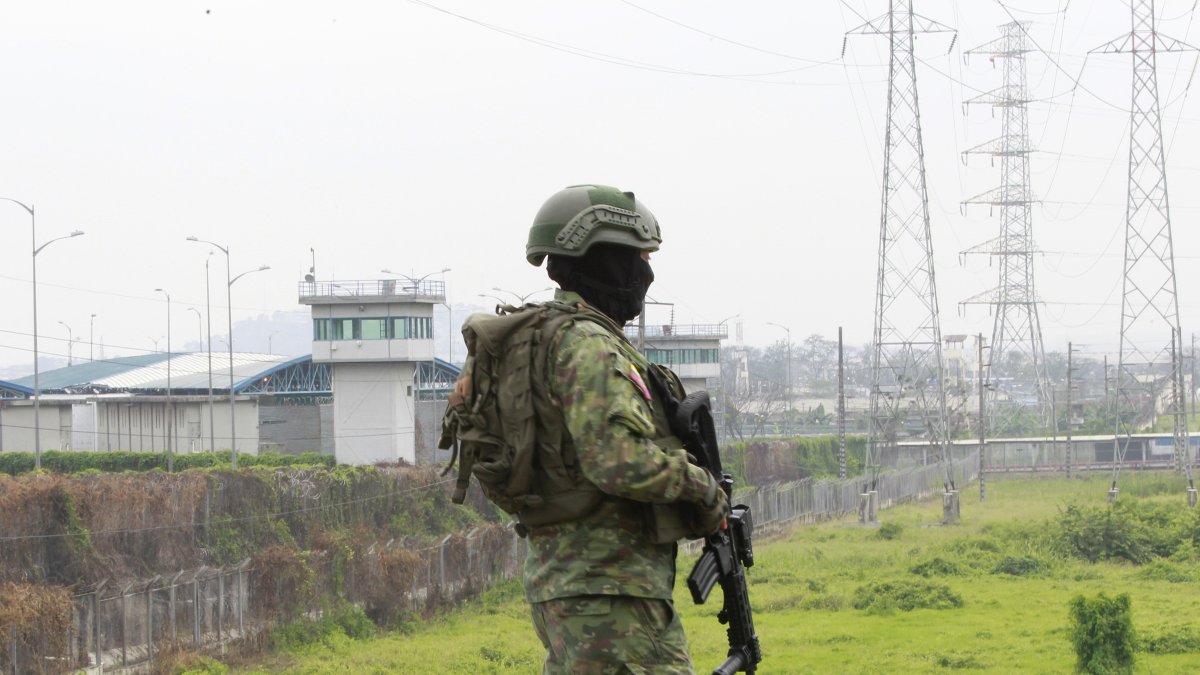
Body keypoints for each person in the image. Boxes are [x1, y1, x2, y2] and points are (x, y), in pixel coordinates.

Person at [518, 184, 729, 674]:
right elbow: (617, 460)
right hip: (611, 593)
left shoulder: (545, 338)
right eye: (637, 257)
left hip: (571, 584)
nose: (646, 272)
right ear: (602, 259)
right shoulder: (589, 346)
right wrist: (705, 489)